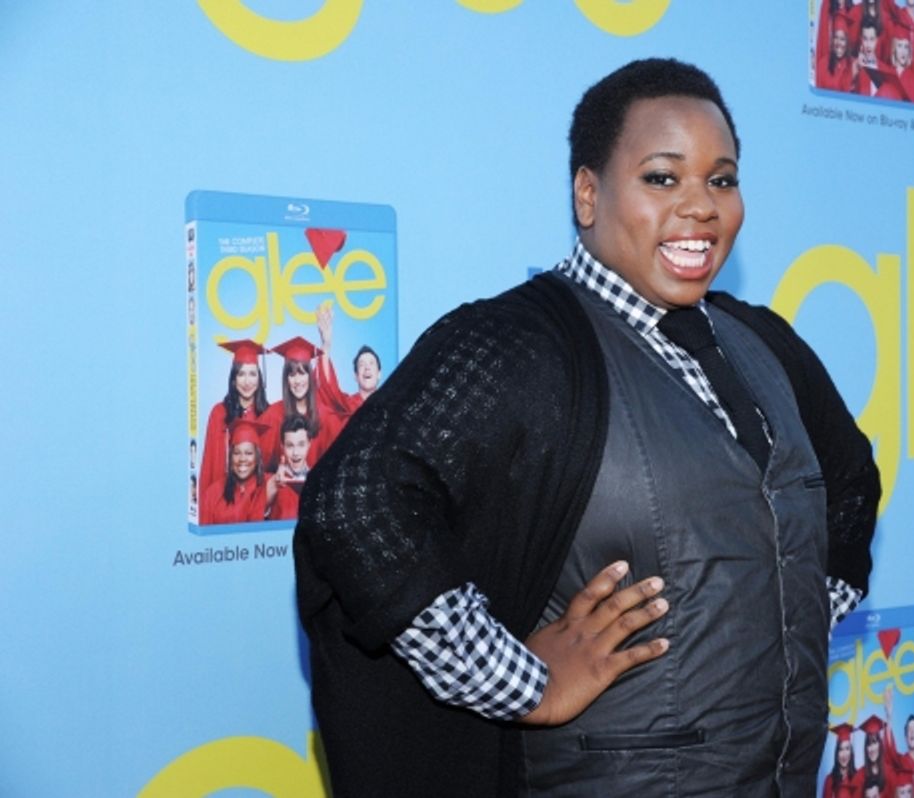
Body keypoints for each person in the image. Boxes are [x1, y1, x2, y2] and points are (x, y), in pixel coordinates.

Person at [295, 57, 880, 797]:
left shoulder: (764, 343)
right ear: (588, 193)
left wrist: (789, 611)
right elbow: (355, 504)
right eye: (662, 178)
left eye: (722, 179)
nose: (700, 206)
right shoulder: (519, 342)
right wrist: (522, 683)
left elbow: (850, 480)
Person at [198, 339, 268, 501]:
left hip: (255, 500)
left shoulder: (268, 415)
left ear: (259, 379)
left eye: (252, 374)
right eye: (241, 374)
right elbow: (210, 463)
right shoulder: (219, 413)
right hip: (223, 500)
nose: (247, 381)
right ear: (233, 379)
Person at [261, 336, 327, 470]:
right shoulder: (272, 416)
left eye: (302, 373)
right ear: (286, 380)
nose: (297, 381)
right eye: (292, 375)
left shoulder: (324, 415)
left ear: (310, 376)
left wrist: (326, 344)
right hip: (283, 489)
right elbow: (259, 465)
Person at [315, 302, 382, 421]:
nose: (367, 368)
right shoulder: (346, 405)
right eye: (362, 364)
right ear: (355, 376)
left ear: (379, 374)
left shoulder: (388, 405)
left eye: (371, 363)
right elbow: (328, 390)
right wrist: (326, 344)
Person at [201, 418, 275, 524]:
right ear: (230, 457)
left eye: (249, 453)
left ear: (257, 458)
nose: (242, 459)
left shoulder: (268, 484)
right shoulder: (213, 493)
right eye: (236, 453)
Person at [883, 685, 914, 798]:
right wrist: (889, 716)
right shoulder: (900, 761)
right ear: (905, 737)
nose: (912, 732)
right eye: (909, 729)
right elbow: (890, 749)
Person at [268, 416, 311, 521]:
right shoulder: (273, 481)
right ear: (282, 446)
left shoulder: (317, 480)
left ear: (309, 444)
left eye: (301, 445)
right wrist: (274, 486)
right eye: (290, 446)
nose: (295, 453)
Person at [853, 715, 891, 795]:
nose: (872, 749)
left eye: (874, 742)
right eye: (869, 744)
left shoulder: (889, 772)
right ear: (865, 748)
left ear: (880, 745)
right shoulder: (858, 777)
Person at [823, 723, 860, 798]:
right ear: (837, 753)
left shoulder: (858, 778)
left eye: (847, 749)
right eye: (841, 749)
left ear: (851, 752)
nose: (844, 754)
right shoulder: (830, 780)